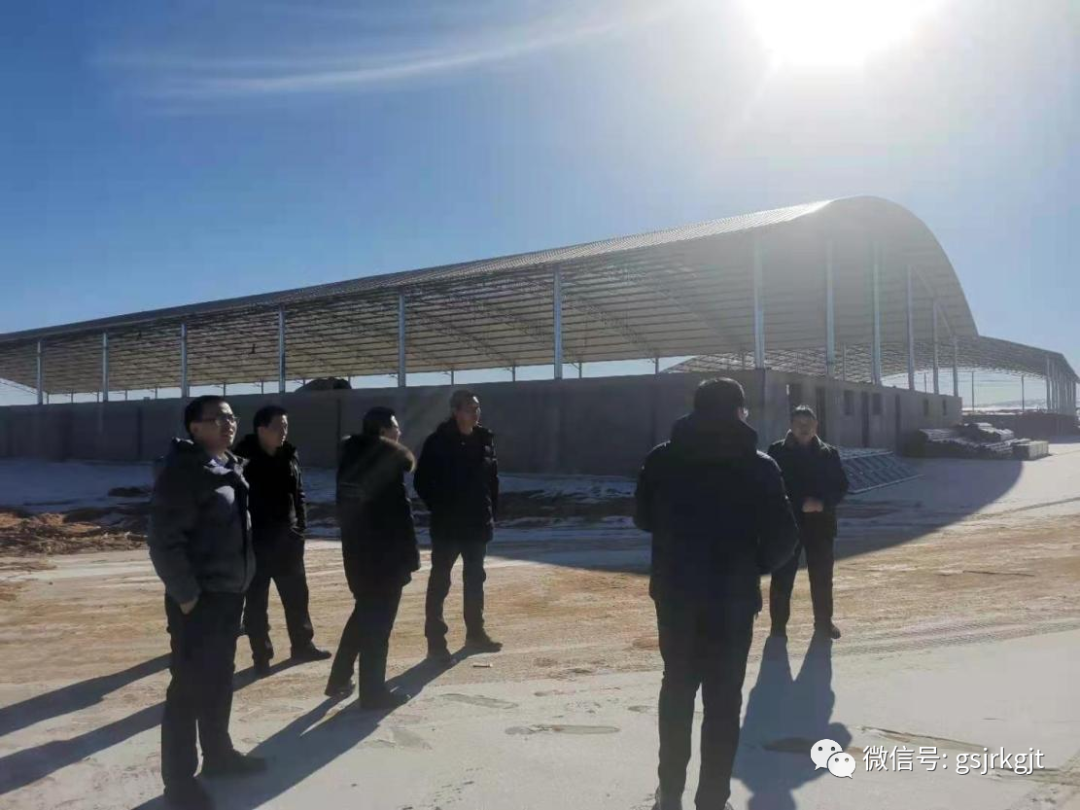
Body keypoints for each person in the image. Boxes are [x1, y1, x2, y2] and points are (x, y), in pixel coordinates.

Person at [635, 378, 799, 810]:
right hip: (733, 599)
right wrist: (752, 565)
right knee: (723, 701)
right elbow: (785, 538)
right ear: (739, 411)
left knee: (677, 690)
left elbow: (642, 517)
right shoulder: (760, 466)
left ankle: (669, 795)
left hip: (676, 595)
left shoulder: (662, 458)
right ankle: (712, 800)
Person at [148, 396, 267, 810]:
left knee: (218, 681)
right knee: (188, 689)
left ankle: (219, 755)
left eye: (231, 417)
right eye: (217, 418)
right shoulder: (185, 472)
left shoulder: (229, 467)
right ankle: (179, 782)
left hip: (228, 595)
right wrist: (186, 597)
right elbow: (164, 542)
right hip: (199, 600)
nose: (227, 423)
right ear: (194, 427)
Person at [325, 407, 420, 709]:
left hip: (358, 554)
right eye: (395, 427)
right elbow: (398, 518)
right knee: (378, 626)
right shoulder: (385, 463)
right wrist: (409, 558)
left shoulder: (351, 462)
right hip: (384, 559)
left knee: (364, 615)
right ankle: (373, 692)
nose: (399, 432)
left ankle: (340, 677)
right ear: (382, 432)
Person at [235, 405, 329, 676]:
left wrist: (301, 529)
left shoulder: (289, 454)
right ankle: (261, 656)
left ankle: (303, 644)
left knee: (297, 597)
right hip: (256, 542)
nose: (283, 431)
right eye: (278, 426)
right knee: (256, 603)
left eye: (286, 426)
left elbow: (298, 494)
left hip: (288, 541)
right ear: (261, 429)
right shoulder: (242, 459)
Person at [415, 389, 501, 663]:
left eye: (477, 408)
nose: (476, 413)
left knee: (475, 580)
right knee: (440, 582)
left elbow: (492, 481)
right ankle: (436, 643)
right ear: (456, 412)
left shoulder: (484, 440)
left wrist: (491, 511)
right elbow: (422, 482)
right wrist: (441, 507)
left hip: (477, 525)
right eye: (470, 408)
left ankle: (475, 633)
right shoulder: (438, 442)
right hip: (448, 527)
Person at [767, 405, 850, 640]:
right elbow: (770, 488)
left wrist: (823, 503)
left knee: (822, 577)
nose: (804, 428)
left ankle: (824, 623)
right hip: (787, 525)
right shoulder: (777, 452)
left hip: (821, 524)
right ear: (791, 426)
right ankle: (778, 627)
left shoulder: (828, 453)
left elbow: (841, 486)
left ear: (816, 426)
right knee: (782, 577)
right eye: (799, 423)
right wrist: (797, 504)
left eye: (808, 424)